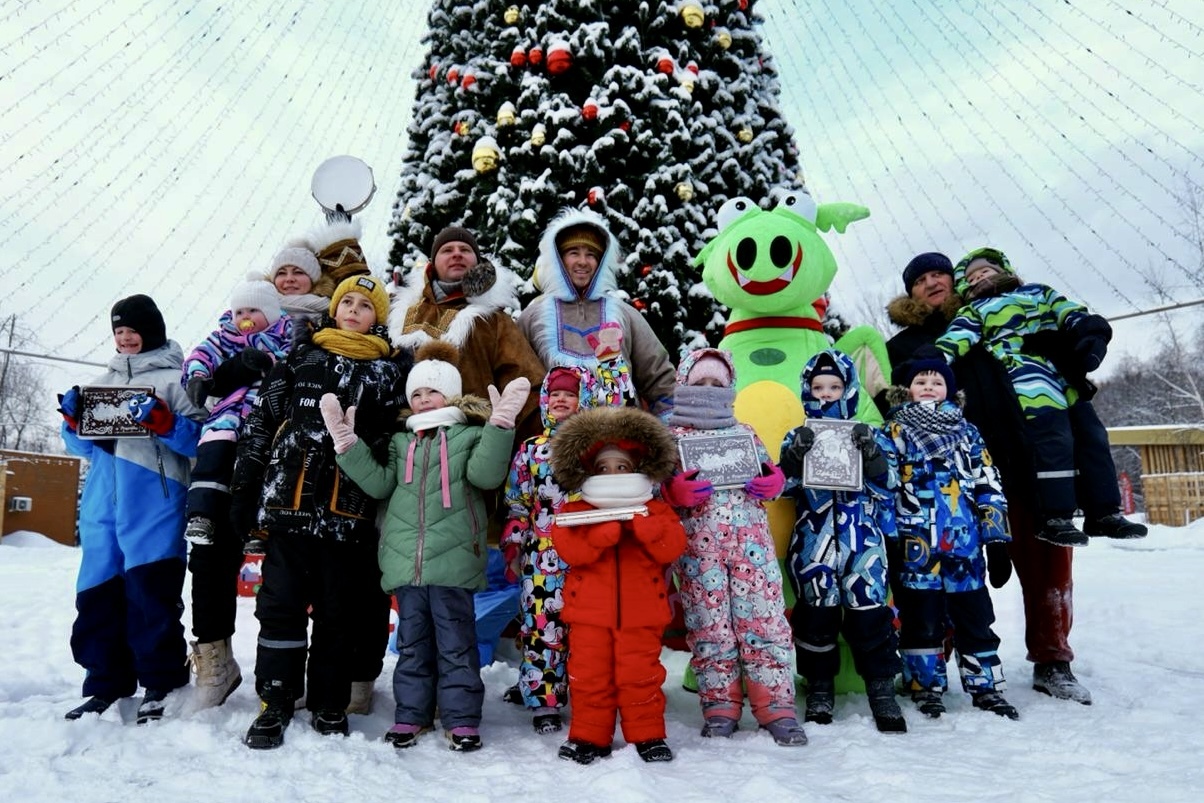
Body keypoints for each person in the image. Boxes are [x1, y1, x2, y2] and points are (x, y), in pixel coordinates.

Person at [883, 250, 1091, 703]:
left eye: (941, 274)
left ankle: (1053, 659)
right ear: (910, 292)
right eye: (921, 280)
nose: (933, 283)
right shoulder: (902, 347)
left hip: (1021, 462)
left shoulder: (990, 321)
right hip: (943, 488)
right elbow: (891, 409)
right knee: (941, 575)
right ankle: (933, 663)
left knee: (1047, 564)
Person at [324, 342, 528, 752]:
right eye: (415, 393)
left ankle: (461, 719)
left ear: (450, 393)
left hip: (452, 559)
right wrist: (349, 446)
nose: (422, 400)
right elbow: (380, 484)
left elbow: (486, 477)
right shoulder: (402, 443)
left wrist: (500, 427)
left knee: (456, 643)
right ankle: (412, 715)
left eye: (431, 392)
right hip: (404, 562)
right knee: (412, 644)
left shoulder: (468, 435)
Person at [230, 275, 406, 749]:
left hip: (351, 517)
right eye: (345, 301)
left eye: (364, 305)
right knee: (280, 607)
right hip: (289, 510)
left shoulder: (391, 374)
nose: (353, 309)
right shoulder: (299, 359)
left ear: (378, 318)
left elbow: (398, 445)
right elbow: (262, 422)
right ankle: (276, 701)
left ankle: (330, 702)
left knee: (338, 614)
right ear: (333, 309)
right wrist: (245, 486)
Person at [932, 247, 1146, 547]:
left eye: (986, 271)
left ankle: (1104, 512)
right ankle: (1055, 514)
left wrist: (1089, 331)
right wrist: (930, 361)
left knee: (1093, 436)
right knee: (1053, 439)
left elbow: (1068, 311)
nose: (980, 277)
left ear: (1003, 271)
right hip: (1025, 377)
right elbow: (956, 339)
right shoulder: (975, 310)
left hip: (1063, 374)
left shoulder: (1038, 292)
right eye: (972, 276)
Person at [57, 295, 206, 723]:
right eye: (119, 332)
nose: (125, 339)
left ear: (152, 331)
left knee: (151, 597)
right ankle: (104, 683)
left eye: (132, 331)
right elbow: (80, 447)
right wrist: (72, 422)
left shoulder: (178, 381)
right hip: (102, 509)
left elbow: (201, 442)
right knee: (97, 598)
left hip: (155, 505)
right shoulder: (101, 383)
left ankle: (161, 680)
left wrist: (167, 424)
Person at [663, 348, 807, 746]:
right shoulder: (671, 437)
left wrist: (774, 481)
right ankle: (720, 707)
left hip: (752, 549)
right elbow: (654, 493)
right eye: (700, 383)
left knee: (764, 624)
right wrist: (670, 491)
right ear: (684, 384)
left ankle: (776, 706)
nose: (708, 390)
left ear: (729, 388)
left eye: (717, 384)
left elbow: (767, 470)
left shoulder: (744, 432)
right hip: (698, 554)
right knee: (711, 628)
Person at [548, 407, 687, 764]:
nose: (613, 473)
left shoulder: (655, 510)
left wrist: (649, 532)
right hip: (589, 615)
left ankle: (648, 735)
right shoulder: (575, 511)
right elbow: (569, 550)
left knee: (640, 676)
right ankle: (587, 737)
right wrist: (597, 539)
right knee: (589, 677)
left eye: (622, 467)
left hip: (641, 614)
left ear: (637, 469)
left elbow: (673, 547)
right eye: (604, 468)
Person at [883, 358, 1019, 720]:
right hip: (916, 547)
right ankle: (925, 687)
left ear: (950, 390)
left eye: (937, 382)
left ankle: (985, 685)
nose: (929, 386)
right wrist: (889, 538)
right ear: (906, 389)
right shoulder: (893, 432)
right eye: (920, 381)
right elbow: (884, 487)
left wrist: (997, 539)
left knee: (975, 617)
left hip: (965, 546)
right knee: (920, 620)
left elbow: (988, 481)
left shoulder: (968, 432)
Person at [779, 350, 905, 733]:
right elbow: (782, 486)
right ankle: (819, 688)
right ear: (807, 390)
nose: (827, 394)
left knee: (870, 615)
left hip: (861, 542)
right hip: (813, 541)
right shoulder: (797, 433)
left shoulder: (869, 433)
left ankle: (882, 691)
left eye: (835, 386)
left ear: (849, 389)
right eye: (818, 387)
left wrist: (871, 455)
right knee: (815, 616)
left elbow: (890, 487)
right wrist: (794, 456)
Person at [179, 279, 291, 709]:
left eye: (255, 311)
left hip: (268, 426)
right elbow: (201, 357)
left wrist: (264, 364)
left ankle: (286, 669)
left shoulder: (290, 335)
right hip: (226, 421)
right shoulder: (224, 334)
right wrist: (200, 377)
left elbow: (289, 366)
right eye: (241, 310)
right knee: (212, 465)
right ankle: (215, 662)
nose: (246, 318)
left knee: (288, 567)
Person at [389, 226, 545, 438]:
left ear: (477, 261)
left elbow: (527, 387)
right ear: (433, 263)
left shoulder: (494, 319)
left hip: (477, 449)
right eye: (447, 250)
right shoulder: (402, 315)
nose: (456, 254)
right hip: (410, 450)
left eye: (465, 249)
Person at [519, 208, 676, 418]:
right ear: (559, 259)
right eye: (574, 253)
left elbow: (659, 378)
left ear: (601, 262)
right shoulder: (533, 317)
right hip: (556, 439)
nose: (583, 262)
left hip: (620, 435)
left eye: (591, 254)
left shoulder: (624, 314)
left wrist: (669, 425)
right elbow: (519, 382)